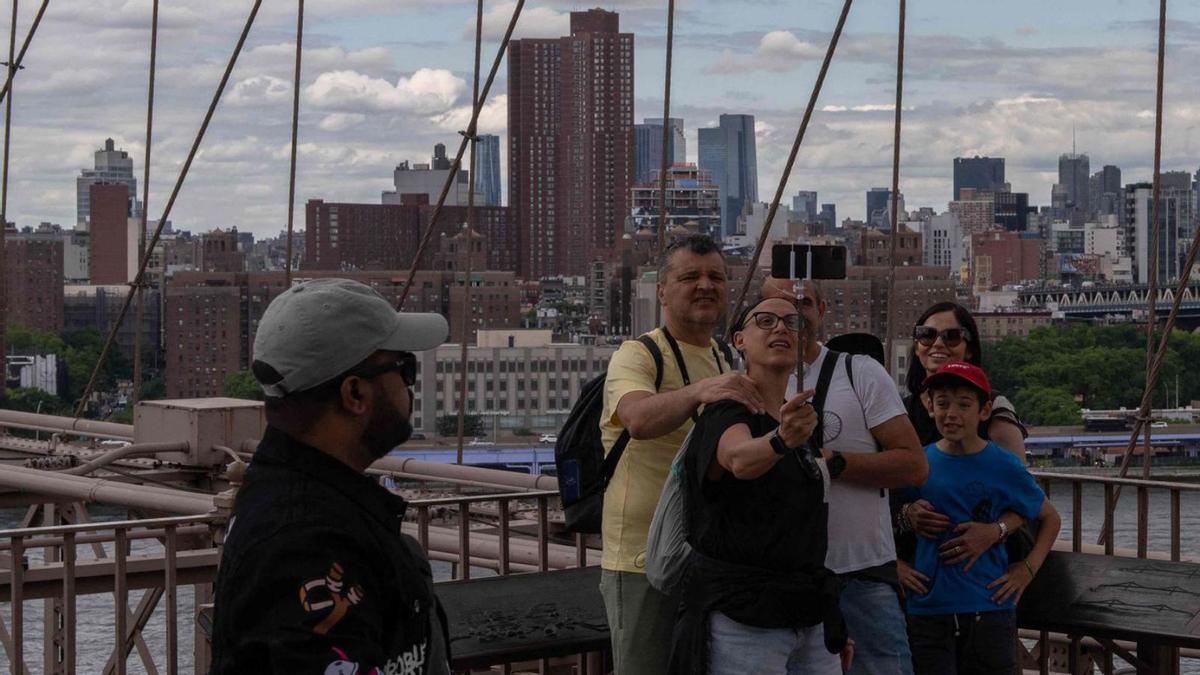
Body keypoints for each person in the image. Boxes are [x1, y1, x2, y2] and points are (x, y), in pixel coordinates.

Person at [210, 278, 452, 675]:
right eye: (403, 368)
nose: (411, 387)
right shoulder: (304, 544)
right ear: (354, 394)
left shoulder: (309, 508)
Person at [600, 234, 765, 674]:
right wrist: (701, 391)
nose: (705, 286)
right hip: (641, 560)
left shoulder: (725, 356)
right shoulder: (638, 355)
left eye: (716, 276)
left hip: (706, 557)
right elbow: (636, 419)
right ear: (661, 291)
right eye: (690, 276)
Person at [672, 295, 851, 674]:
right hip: (745, 617)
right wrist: (779, 440)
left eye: (792, 322)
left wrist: (828, 621)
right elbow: (738, 458)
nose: (782, 328)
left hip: (808, 615)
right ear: (739, 340)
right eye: (765, 321)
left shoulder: (797, 417)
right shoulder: (728, 410)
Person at [764, 277, 927, 675]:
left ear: (821, 311)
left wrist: (832, 462)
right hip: (779, 580)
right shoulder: (747, 385)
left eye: (801, 303)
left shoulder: (860, 372)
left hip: (861, 572)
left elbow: (913, 465)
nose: (789, 317)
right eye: (775, 308)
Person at [903, 362, 1061, 675]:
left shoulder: (1002, 465)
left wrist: (1027, 569)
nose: (952, 414)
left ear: (984, 410)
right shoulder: (917, 463)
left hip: (988, 610)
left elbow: (1049, 518)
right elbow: (882, 518)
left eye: (964, 405)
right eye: (943, 404)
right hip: (927, 610)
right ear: (929, 407)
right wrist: (897, 567)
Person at [895, 302, 1030, 600]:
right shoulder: (897, 413)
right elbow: (877, 496)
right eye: (927, 335)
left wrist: (995, 532)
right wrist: (906, 517)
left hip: (986, 575)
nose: (938, 344)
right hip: (918, 575)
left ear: (970, 349)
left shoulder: (995, 410)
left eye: (952, 336)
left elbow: (1025, 496)